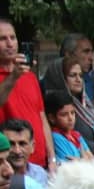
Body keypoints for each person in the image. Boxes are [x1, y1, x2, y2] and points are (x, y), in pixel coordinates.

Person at [0, 19, 54, 172]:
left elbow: (42, 118)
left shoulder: (29, 76)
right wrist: (13, 76)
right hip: (10, 165)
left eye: (13, 37)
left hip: (40, 164)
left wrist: (52, 157)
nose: (10, 43)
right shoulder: (16, 75)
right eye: (2, 39)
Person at [45, 90, 92, 163]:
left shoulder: (77, 135)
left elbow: (92, 159)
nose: (70, 118)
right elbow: (71, 164)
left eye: (72, 113)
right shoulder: (55, 137)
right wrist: (84, 160)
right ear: (52, 118)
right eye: (64, 114)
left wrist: (82, 161)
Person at [1, 117, 48, 184]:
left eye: (22, 144)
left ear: (32, 147)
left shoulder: (40, 174)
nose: (17, 151)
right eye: (11, 144)